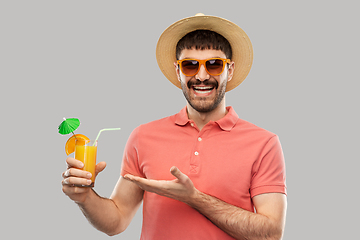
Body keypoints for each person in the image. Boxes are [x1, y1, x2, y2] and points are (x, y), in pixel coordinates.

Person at [62, 13, 287, 240]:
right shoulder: (144, 136)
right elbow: (117, 221)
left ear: (229, 70)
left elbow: (271, 234)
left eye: (214, 65)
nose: (201, 76)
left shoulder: (263, 143)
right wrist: (84, 196)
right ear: (178, 71)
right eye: (190, 65)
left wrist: (194, 198)